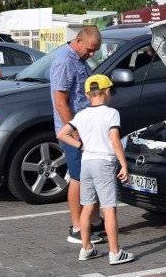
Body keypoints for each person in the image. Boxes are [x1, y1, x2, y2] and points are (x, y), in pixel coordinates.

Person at [56, 74, 134, 265]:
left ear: (88, 95)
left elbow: (62, 134)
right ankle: (115, 253)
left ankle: (86, 248)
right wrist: (123, 164)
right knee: (109, 208)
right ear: (107, 91)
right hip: (104, 163)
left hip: (87, 163)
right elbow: (115, 140)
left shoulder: (81, 115)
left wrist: (81, 146)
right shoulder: (111, 113)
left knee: (87, 206)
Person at [50, 25, 104, 244]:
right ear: (79, 40)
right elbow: (61, 102)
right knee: (78, 178)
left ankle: (94, 222)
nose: (91, 55)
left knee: (90, 176)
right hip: (75, 133)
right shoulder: (65, 61)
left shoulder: (79, 59)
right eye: (90, 50)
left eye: (95, 52)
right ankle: (76, 227)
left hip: (86, 129)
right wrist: (76, 132)